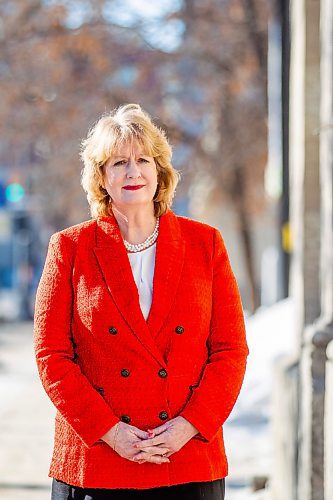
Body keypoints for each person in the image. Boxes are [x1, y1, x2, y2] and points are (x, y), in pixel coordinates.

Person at [33, 103, 249, 500]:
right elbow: (52, 355)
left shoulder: (206, 245)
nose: (132, 172)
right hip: (97, 460)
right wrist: (111, 432)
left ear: (160, 171)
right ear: (101, 177)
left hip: (187, 459)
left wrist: (188, 426)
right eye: (118, 163)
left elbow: (230, 350)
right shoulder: (70, 248)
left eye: (142, 159)